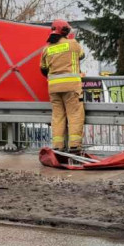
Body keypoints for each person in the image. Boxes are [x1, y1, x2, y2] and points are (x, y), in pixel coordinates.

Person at [40, 19, 86, 154]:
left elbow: (43, 70)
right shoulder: (73, 44)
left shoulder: (47, 49)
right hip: (71, 88)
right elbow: (82, 56)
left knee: (57, 117)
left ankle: (58, 146)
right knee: (75, 115)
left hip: (54, 89)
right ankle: (74, 146)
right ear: (65, 31)